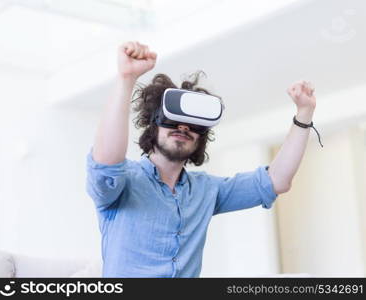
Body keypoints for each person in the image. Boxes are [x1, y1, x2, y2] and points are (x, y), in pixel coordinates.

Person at [86, 40, 318, 278]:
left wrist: (304, 113)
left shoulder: (207, 190)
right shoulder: (126, 182)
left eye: (194, 123)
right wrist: (126, 79)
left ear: (201, 136)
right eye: (172, 118)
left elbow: (277, 181)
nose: (183, 126)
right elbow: (106, 165)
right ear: (152, 125)